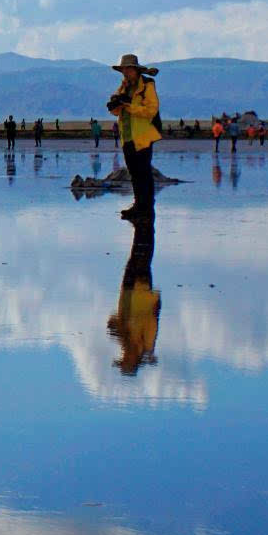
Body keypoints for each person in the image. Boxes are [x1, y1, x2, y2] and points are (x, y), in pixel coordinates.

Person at [108, 54, 163, 221]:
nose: (125, 73)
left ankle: (146, 207)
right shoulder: (124, 87)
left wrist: (129, 106)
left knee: (143, 173)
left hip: (143, 136)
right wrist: (116, 104)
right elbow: (116, 111)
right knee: (134, 173)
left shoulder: (147, 85)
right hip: (127, 136)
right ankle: (139, 205)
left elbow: (151, 110)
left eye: (128, 69)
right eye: (123, 70)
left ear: (135, 70)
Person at [107, 216, 159, 375]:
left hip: (129, 293)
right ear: (133, 359)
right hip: (141, 293)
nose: (123, 356)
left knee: (138, 252)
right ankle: (144, 219)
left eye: (123, 359)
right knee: (141, 252)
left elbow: (113, 321)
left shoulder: (125, 341)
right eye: (125, 360)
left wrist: (115, 330)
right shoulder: (146, 344)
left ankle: (143, 220)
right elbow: (153, 317)